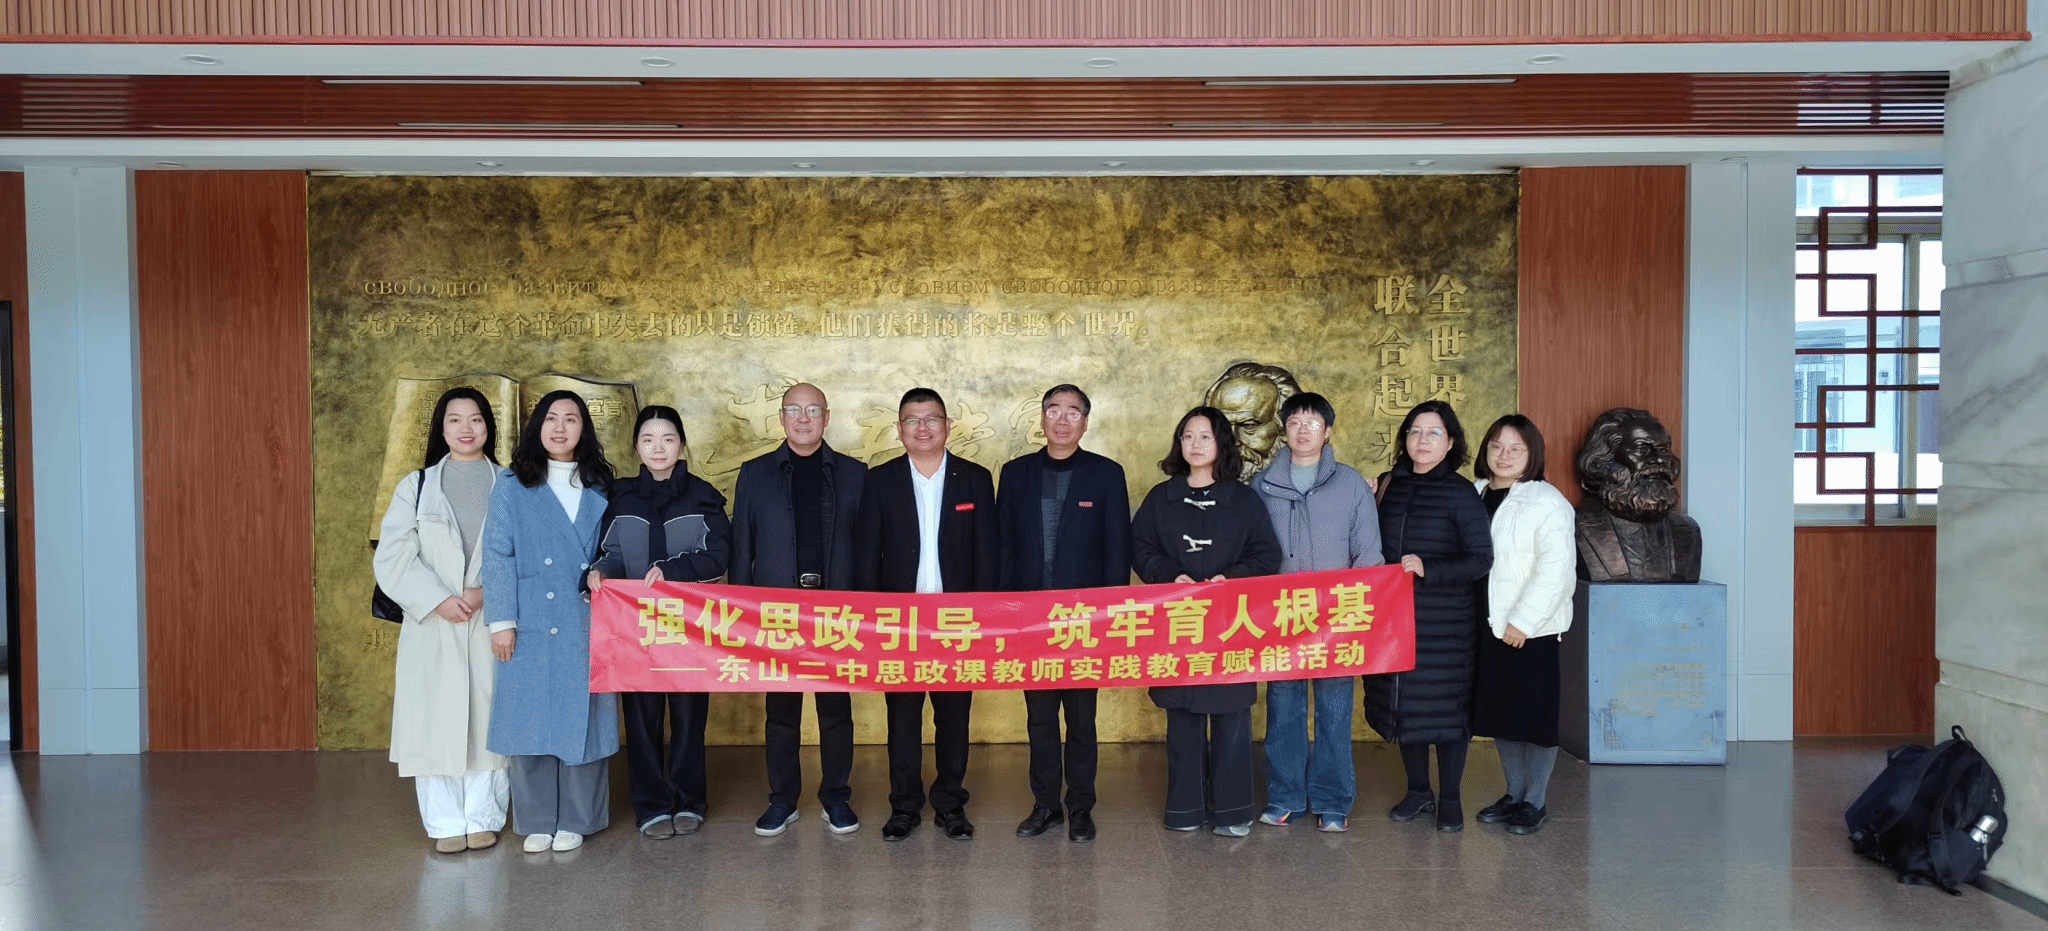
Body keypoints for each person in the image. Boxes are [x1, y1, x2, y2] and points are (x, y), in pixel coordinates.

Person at [854, 387, 999, 841]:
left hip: (958, 622)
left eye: (931, 418)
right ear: (899, 430)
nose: (922, 427)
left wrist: (984, 617)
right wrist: (871, 620)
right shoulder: (880, 480)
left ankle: (951, 804)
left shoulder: (975, 479)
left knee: (953, 718)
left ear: (947, 426)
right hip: (899, 622)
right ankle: (904, 806)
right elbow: (866, 556)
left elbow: (987, 554)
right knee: (903, 719)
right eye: (912, 420)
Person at [1131, 406, 1282, 837]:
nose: (1195, 444)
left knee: (1232, 719)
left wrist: (1230, 579)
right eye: (1188, 436)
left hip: (1230, 624)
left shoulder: (1244, 500)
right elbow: (1140, 548)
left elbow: (1267, 555)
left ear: (1221, 445)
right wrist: (1167, 574)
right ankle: (1185, 810)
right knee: (1183, 718)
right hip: (1180, 623)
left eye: (1205, 437)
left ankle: (1233, 813)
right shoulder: (1161, 497)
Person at [583, 406, 730, 840]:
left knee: (688, 718)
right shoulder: (621, 497)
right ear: (636, 447)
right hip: (635, 630)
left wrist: (673, 571)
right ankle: (650, 805)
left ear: (682, 445)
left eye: (668, 438)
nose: (658, 448)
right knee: (642, 719)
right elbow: (611, 553)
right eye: (648, 439)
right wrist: (599, 572)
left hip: (689, 629)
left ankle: (689, 800)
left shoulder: (704, 496)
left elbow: (719, 556)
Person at [482, 390, 618, 854]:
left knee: (585, 718)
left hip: (586, 615)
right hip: (531, 616)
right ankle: (537, 818)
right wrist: (502, 621)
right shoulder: (512, 484)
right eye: (551, 419)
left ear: (584, 428)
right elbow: (497, 553)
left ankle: (579, 818)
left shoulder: (601, 484)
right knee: (530, 715)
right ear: (537, 426)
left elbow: (615, 546)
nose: (560, 428)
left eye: (571, 419)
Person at [375, 387, 508, 854]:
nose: (466, 428)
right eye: (455, 419)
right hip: (433, 623)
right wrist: (436, 600)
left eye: (476, 419)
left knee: (488, 720)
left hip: (492, 619)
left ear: (489, 426)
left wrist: (486, 593)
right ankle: (446, 821)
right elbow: (393, 556)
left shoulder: (510, 484)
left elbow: (526, 554)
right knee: (435, 720)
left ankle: (484, 817)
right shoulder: (415, 487)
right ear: (441, 427)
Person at [730, 383, 867, 837]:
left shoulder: (855, 474)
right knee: (781, 713)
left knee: (836, 711)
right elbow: (742, 546)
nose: (803, 418)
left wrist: (867, 610)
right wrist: (742, 613)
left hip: (837, 611)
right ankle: (782, 800)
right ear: (781, 418)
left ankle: (836, 798)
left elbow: (868, 548)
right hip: (777, 612)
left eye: (812, 410)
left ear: (827, 417)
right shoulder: (755, 474)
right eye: (794, 410)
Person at [997, 384, 1130, 844]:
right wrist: (1006, 611)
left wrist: (1110, 615)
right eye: (1054, 410)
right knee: (1039, 719)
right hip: (1030, 619)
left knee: (1081, 720)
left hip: (1084, 623)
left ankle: (1081, 806)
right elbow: (1004, 547)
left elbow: (1117, 549)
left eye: (1073, 412)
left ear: (1085, 422)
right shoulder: (1015, 474)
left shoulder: (1106, 474)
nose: (1062, 419)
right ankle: (1045, 805)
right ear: (1042, 418)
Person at [1248, 391, 1382, 833]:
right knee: (1283, 708)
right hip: (1282, 615)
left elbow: (1368, 551)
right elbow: (1251, 550)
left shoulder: (1350, 483)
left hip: (1336, 617)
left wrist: (1359, 609)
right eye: (1294, 422)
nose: (1302, 429)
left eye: (1312, 422)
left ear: (1327, 430)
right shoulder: (1262, 485)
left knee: (1334, 710)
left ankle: (1332, 801)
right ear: (1283, 430)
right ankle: (1284, 796)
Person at [1361, 400, 1494, 833]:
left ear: (1450, 442)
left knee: (1447, 713)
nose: (1422, 440)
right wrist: (1365, 495)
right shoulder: (1388, 486)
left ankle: (1450, 798)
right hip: (1393, 619)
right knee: (1405, 706)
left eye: (1434, 432)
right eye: (1415, 431)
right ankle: (1418, 791)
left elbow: (1481, 559)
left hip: (1446, 625)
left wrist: (1429, 569)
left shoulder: (1460, 493)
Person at [1470, 414, 1575, 836]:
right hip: (1485, 623)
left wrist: (1524, 621)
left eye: (1516, 448)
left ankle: (1535, 801)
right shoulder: (1474, 492)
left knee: (1536, 717)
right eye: (1496, 446)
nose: (1504, 455)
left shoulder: (1547, 501)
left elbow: (1557, 569)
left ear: (1532, 454)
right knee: (1502, 714)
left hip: (1531, 630)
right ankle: (1513, 793)